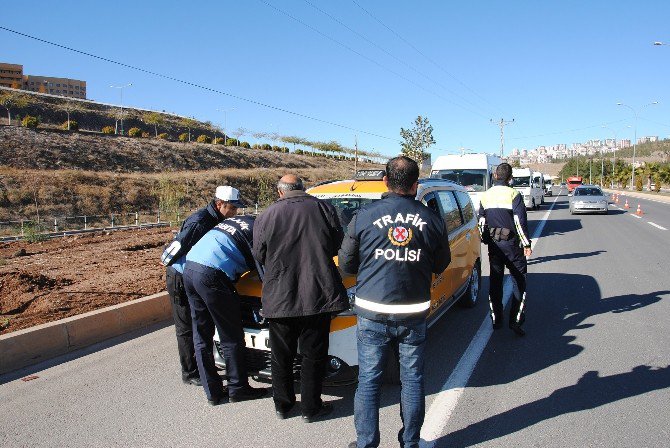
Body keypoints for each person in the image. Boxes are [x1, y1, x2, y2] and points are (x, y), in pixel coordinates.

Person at [339, 156, 451, 448]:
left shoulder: (364, 216)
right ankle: (410, 443)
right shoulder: (431, 219)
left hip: (372, 312)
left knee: (369, 381)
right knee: (412, 380)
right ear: (416, 185)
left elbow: (347, 265)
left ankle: (366, 443)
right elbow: (442, 263)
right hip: (413, 313)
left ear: (385, 181)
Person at [252, 174, 348, 422]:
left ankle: (283, 406)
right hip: (317, 293)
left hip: (279, 296)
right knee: (313, 355)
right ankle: (311, 408)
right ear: (302, 189)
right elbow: (338, 243)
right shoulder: (323, 208)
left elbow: (259, 253)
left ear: (280, 191)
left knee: (280, 355)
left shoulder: (267, 215)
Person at [183, 207, 269, 406]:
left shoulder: (241, 221)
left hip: (190, 268)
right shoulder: (259, 231)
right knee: (231, 335)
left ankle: (212, 392)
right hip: (212, 275)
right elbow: (265, 273)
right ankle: (238, 388)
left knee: (201, 335)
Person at [160, 185, 243, 386]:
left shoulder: (218, 220)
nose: (234, 212)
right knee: (186, 326)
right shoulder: (200, 222)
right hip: (181, 276)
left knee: (201, 324)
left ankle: (206, 367)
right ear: (218, 204)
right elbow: (171, 252)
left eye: (236, 208)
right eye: (231, 208)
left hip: (194, 276)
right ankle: (190, 372)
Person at [477, 162, 532, 336]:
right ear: (510, 178)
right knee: (519, 281)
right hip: (513, 246)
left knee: (495, 283)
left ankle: (496, 319)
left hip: (495, 246)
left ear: (495, 176)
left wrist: (486, 239)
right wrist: (526, 244)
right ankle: (515, 321)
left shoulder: (485, 196)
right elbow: (519, 222)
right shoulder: (514, 194)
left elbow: (481, 223)